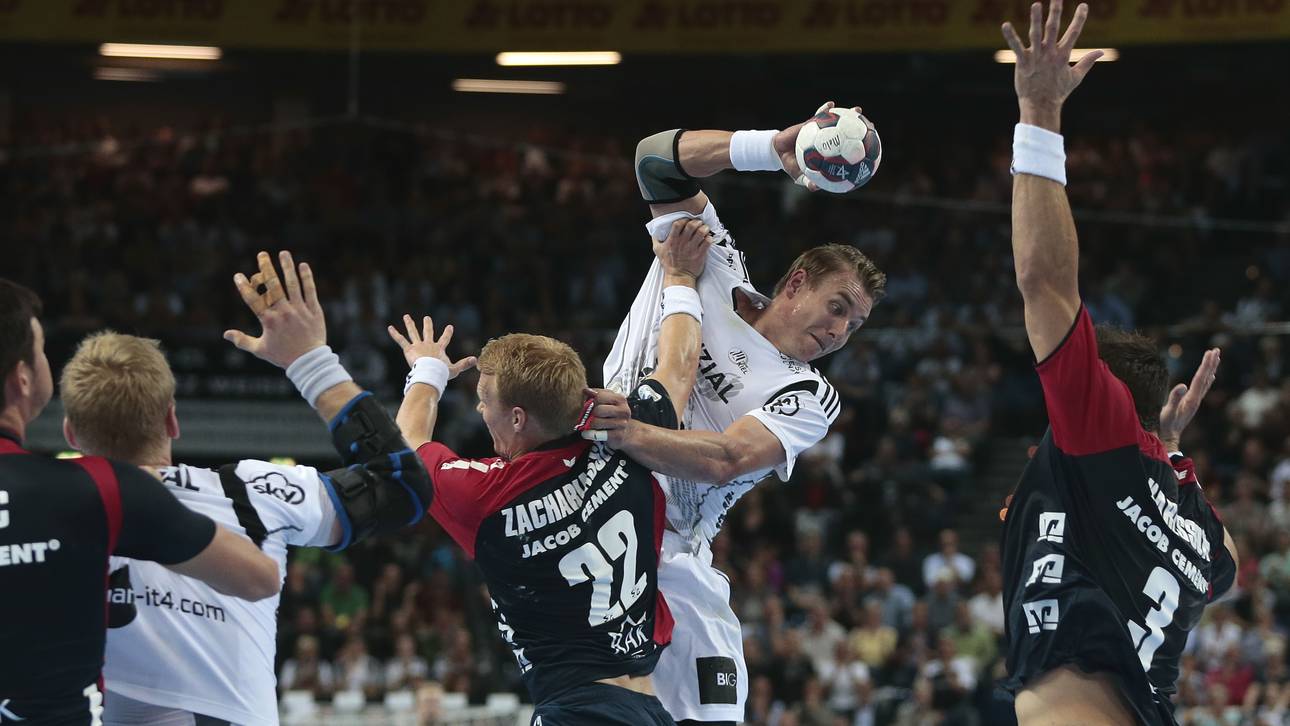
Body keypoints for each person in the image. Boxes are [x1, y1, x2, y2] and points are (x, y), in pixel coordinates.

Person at [587, 103, 888, 724]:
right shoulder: (714, 263)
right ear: (798, 283)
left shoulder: (809, 395)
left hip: (672, 552)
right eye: (836, 308)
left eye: (854, 325)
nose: (839, 331)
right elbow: (654, 158)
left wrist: (618, 430)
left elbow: (726, 461)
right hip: (587, 516)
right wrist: (769, 146)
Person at [994, 3, 1238, 724]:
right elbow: (1224, 557)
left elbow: (1044, 282)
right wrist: (1170, 453)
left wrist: (1038, 110)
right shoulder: (1191, 524)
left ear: (1103, 392)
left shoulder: (1100, 437)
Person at [69, 251, 436, 726]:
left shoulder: (49, 509)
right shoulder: (252, 489)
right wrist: (311, 361)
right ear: (171, 421)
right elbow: (402, 488)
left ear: (70, 435)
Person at [390, 219, 712, 724]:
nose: (479, 412)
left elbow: (406, 447)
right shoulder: (625, 434)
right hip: (649, 708)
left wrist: (427, 370)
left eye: (483, 401)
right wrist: (681, 276)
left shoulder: (487, 494)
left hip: (579, 710)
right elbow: (676, 368)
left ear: (518, 418)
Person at [0, 278, 280, 725]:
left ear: (71, 432)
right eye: (41, 347)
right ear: (22, 379)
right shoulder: (97, 488)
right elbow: (260, 579)